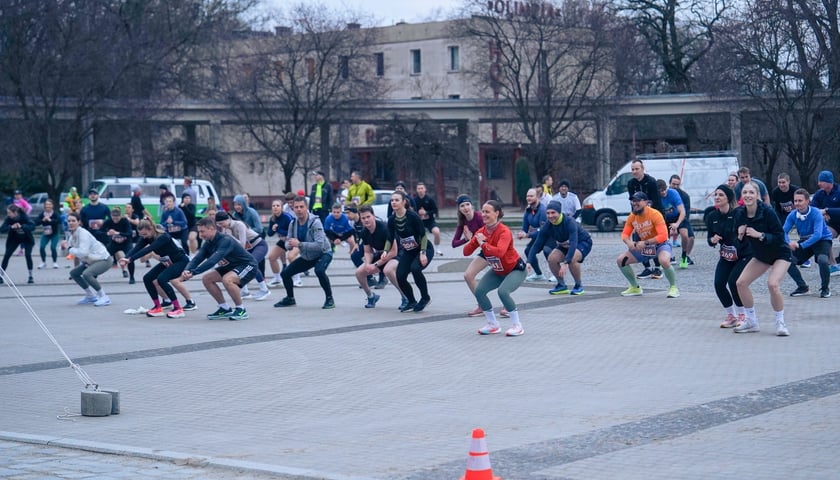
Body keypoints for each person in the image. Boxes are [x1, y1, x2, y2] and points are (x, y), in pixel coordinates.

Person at [733, 181, 792, 336]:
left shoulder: (767, 211)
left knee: (772, 284)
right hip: (761, 255)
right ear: (741, 196)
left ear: (757, 195)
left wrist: (760, 235)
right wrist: (739, 236)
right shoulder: (739, 214)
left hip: (780, 253)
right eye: (745, 192)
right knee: (741, 283)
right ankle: (751, 321)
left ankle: (780, 323)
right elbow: (737, 242)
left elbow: (780, 237)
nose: (748, 195)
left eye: (751, 192)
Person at [464, 200, 527, 336]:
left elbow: (499, 252)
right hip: (499, 270)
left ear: (496, 213)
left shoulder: (504, 231)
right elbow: (466, 252)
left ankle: (517, 325)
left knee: (503, 292)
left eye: (487, 212)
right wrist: (471, 240)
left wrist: (483, 243)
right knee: (479, 291)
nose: (483, 214)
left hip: (515, 269)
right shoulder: (481, 232)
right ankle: (493, 324)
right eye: (482, 211)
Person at [181, 216, 257, 321]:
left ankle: (241, 309)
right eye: (199, 232)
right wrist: (187, 270)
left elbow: (212, 261)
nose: (200, 235)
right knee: (207, 279)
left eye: (202, 231)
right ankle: (224, 308)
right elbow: (198, 258)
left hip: (247, 265)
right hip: (230, 266)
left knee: (227, 279)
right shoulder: (208, 243)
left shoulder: (225, 240)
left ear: (212, 229)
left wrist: (194, 272)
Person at [121, 219, 195, 318]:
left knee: (162, 279)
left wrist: (131, 259)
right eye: (142, 235)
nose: (144, 237)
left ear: (151, 229)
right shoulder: (147, 237)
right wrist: (126, 258)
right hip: (168, 262)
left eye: (145, 234)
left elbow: (149, 249)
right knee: (147, 278)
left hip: (180, 261)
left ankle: (178, 309)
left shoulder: (163, 237)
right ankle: (157, 307)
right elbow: (137, 248)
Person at [273, 196, 335, 309]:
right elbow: (288, 242)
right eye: (296, 207)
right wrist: (289, 244)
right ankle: (290, 298)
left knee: (319, 270)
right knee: (285, 273)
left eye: (301, 207)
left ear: (306, 208)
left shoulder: (315, 222)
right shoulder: (293, 223)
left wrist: (299, 244)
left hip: (324, 253)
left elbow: (319, 246)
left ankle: (330, 298)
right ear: (293, 209)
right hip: (308, 256)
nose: (299, 209)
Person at [616, 192, 680, 298]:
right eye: (633, 201)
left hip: (661, 245)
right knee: (621, 260)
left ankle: (673, 287)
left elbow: (663, 236)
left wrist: (645, 242)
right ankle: (635, 287)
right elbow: (625, 234)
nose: (634, 203)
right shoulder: (632, 216)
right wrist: (629, 243)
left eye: (637, 201)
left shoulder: (655, 214)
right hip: (645, 247)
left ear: (646, 202)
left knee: (664, 260)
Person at [705, 184, 751, 328]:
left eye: (721, 195)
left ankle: (743, 314)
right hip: (726, 255)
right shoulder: (712, 216)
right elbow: (709, 238)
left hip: (743, 255)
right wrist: (712, 240)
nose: (717, 197)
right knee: (719, 284)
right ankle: (731, 315)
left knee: (733, 282)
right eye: (716, 195)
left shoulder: (738, 213)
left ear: (728, 198)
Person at [383, 190, 433, 312]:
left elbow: (423, 235)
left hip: (424, 248)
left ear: (403, 202)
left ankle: (425, 298)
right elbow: (389, 238)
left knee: (415, 269)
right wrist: (385, 251)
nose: (394, 202)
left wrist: (422, 253)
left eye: (397, 200)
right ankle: (411, 301)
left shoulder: (412, 216)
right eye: (392, 200)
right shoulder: (392, 219)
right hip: (409, 251)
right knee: (400, 275)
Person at [530, 200, 592, 296]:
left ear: (559, 212)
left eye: (553, 213)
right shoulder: (547, 225)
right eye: (548, 213)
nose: (550, 216)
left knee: (572, 259)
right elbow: (537, 244)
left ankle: (578, 285)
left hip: (582, 242)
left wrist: (566, 262)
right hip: (564, 244)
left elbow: (573, 242)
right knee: (552, 259)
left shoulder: (569, 222)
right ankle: (561, 285)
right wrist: (528, 261)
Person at [783, 188, 833, 298]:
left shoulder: (816, 213)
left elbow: (818, 234)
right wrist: (789, 242)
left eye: (800, 200)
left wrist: (801, 245)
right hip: (805, 239)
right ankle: (803, 287)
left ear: (807, 201)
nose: (797, 203)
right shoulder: (792, 215)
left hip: (822, 239)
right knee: (787, 260)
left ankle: (825, 288)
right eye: (795, 201)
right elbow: (783, 231)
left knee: (822, 260)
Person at [214, 211, 271, 301]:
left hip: (259, 245)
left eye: (222, 223)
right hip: (247, 249)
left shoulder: (239, 225)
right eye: (218, 224)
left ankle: (264, 289)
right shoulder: (226, 229)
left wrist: (230, 237)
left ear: (228, 219)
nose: (221, 226)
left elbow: (242, 245)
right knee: (238, 265)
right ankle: (245, 291)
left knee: (251, 264)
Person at [61, 212, 112, 306]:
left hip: (104, 259)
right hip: (90, 261)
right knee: (74, 273)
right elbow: (66, 254)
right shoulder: (71, 236)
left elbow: (82, 252)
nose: (71, 223)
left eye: (73, 221)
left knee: (87, 274)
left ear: (79, 222)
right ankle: (90, 296)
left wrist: (69, 248)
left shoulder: (83, 233)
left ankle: (104, 297)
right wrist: (63, 247)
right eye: (69, 221)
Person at [452, 194, 490, 317]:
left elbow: (488, 235)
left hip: (495, 249)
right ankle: (482, 305)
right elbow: (454, 243)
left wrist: (472, 238)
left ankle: (508, 306)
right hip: (484, 252)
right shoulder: (463, 223)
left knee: (502, 277)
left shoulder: (479, 217)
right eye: (462, 206)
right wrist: (466, 239)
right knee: (468, 275)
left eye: (467, 204)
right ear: (459, 209)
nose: (465, 208)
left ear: (472, 206)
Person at [627, 159, 664, 279]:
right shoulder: (631, 183)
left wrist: (648, 216)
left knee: (653, 241)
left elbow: (655, 201)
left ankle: (658, 267)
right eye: (632, 169)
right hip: (638, 215)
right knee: (637, 239)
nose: (634, 171)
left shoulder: (651, 182)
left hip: (654, 213)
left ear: (642, 169)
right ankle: (647, 267)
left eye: (637, 169)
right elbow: (632, 202)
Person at [355, 205, 398, 308]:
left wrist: (375, 265)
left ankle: (405, 296)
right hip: (381, 254)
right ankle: (371, 296)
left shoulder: (385, 228)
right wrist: (368, 264)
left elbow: (393, 251)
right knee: (359, 272)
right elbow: (368, 252)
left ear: (374, 216)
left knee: (388, 270)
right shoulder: (364, 232)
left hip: (396, 254)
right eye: (363, 218)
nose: (366, 220)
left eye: (368, 217)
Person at [518, 188, 551, 282]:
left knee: (547, 251)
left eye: (531, 196)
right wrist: (522, 233)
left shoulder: (542, 210)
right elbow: (525, 228)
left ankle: (556, 274)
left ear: (537, 197)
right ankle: (539, 274)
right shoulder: (528, 210)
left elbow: (543, 230)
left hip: (549, 236)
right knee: (528, 251)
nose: (528, 198)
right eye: (527, 196)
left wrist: (528, 235)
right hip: (538, 237)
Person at [811, 170, 840, 273]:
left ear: (829, 182)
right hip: (832, 224)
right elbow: (812, 209)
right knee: (824, 234)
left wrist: (827, 211)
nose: (819, 183)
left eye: (821, 181)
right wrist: (822, 214)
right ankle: (833, 264)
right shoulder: (819, 194)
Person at [0, 204, 35, 284]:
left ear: (15, 213)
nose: (8, 214)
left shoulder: (24, 217)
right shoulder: (9, 219)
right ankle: (1, 276)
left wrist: (22, 226)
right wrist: (11, 227)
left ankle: (30, 276)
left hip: (26, 238)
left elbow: (32, 226)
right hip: (14, 239)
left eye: (9, 213)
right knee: (7, 255)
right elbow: (2, 229)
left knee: (28, 255)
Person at [266, 197, 294, 287]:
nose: (275, 207)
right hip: (283, 241)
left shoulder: (287, 217)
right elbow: (269, 234)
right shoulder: (273, 218)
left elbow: (293, 231)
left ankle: (297, 279)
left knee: (291, 257)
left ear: (281, 208)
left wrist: (279, 230)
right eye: (273, 206)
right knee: (271, 257)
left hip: (294, 239)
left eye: (277, 206)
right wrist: (273, 229)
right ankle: (277, 279)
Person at [101, 207, 134, 282]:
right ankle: (94, 274)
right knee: (103, 256)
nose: (115, 218)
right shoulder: (108, 221)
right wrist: (107, 233)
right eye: (113, 217)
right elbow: (99, 232)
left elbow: (129, 233)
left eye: (117, 217)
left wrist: (117, 233)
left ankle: (132, 277)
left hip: (126, 243)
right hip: (114, 244)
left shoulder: (125, 221)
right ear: (111, 216)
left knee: (130, 258)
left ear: (120, 216)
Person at [668, 175, 695, 268]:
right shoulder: (665, 194)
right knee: (664, 236)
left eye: (677, 185)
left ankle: (686, 256)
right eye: (673, 184)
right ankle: (668, 256)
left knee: (690, 237)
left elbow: (686, 213)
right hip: (668, 219)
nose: (675, 186)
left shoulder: (685, 196)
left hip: (682, 218)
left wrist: (678, 225)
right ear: (669, 183)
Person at [413, 182, 443, 256]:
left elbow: (435, 210)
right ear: (416, 190)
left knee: (437, 232)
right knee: (416, 235)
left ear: (425, 189)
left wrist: (426, 213)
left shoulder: (430, 199)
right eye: (418, 188)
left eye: (422, 188)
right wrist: (418, 213)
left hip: (430, 221)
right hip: (418, 222)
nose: (420, 190)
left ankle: (437, 249)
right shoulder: (414, 200)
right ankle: (418, 249)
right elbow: (412, 211)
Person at [36, 199, 62, 270]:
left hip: (54, 234)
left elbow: (59, 221)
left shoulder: (55, 214)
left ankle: (55, 262)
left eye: (49, 204)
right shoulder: (42, 214)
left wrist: (51, 220)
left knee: (53, 247)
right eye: (46, 204)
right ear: (44, 206)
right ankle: (43, 262)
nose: (48, 206)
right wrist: (42, 220)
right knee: (42, 247)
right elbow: (36, 222)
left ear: (52, 206)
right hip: (46, 233)